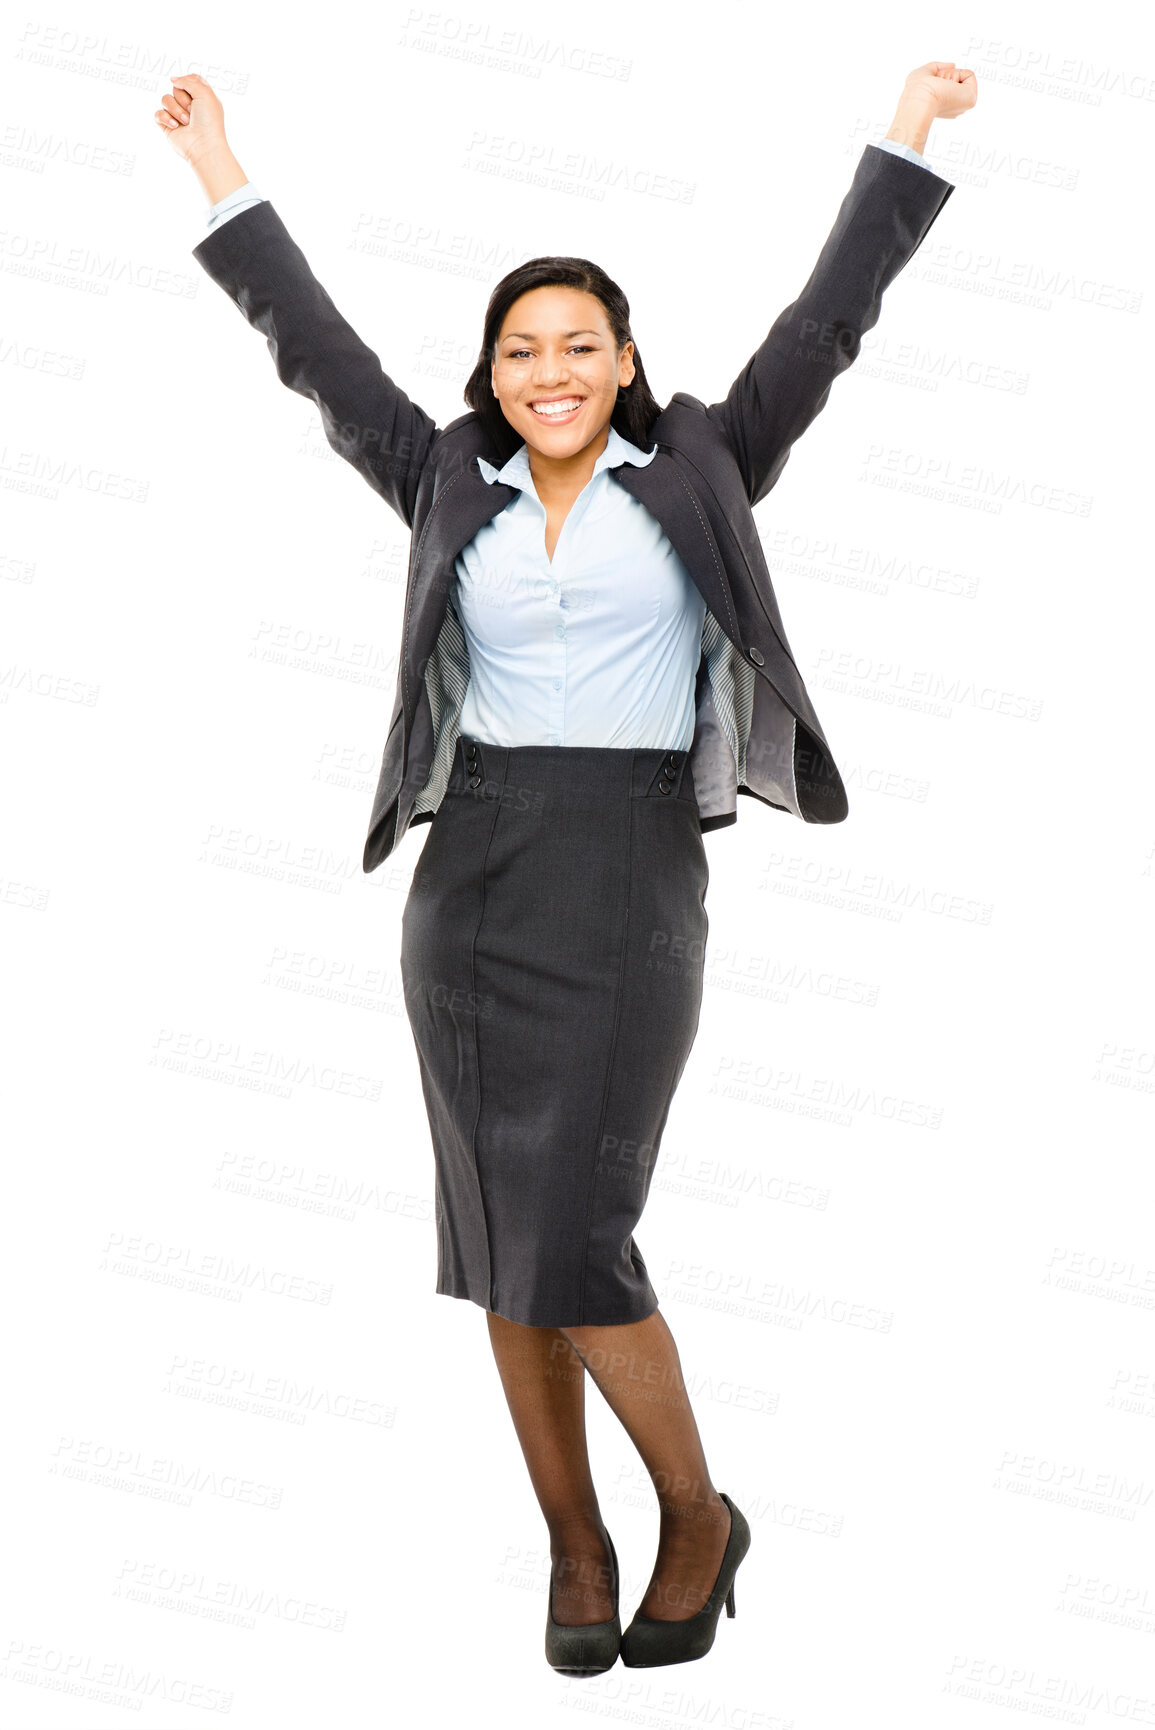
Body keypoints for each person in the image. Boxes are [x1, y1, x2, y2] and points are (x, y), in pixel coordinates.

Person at [155, 60, 977, 1676]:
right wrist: (221, 169)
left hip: (628, 873)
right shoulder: (441, 476)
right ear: (493, 372)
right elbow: (314, 353)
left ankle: (693, 1511)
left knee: (579, 1229)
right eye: (522, 350)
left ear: (624, 366)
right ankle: (573, 1537)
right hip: (466, 890)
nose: (551, 372)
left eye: (580, 347)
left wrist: (909, 138)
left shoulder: (705, 465)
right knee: (498, 1239)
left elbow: (828, 321)